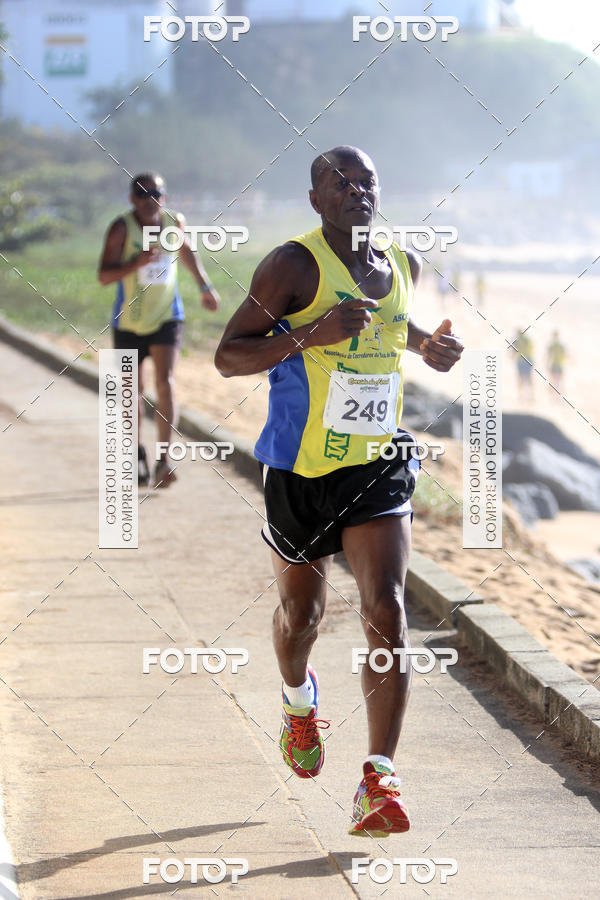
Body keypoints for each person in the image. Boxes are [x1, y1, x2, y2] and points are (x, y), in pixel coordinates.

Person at [215, 145, 463, 837]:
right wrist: (311, 335)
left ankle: (379, 778)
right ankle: (298, 700)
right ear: (317, 198)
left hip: (376, 464)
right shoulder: (292, 266)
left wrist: (427, 348)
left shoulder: (402, 265)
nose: (357, 191)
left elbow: (392, 329)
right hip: (299, 469)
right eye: (340, 182)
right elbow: (229, 354)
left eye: (367, 182)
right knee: (304, 618)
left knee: (386, 607)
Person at [98, 173, 220, 487]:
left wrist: (205, 287)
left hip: (167, 316)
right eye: (142, 194)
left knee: (165, 383)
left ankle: (164, 459)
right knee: (131, 392)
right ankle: (136, 452)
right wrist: (135, 264)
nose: (150, 199)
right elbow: (103, 276)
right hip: (128, 320)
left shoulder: (173, 222)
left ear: (164, 196)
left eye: (156, 192)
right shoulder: (122, 228)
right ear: (132, 199)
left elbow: (187, 253)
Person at [513, 328, 535, 402]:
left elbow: (514, 352)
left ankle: (521, 396)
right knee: (529, 378)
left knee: (521, 378)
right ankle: (531, 396)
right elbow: (532, 349)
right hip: (529, 359)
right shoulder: (528, 340)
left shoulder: (517, 341)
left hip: (521, 360)